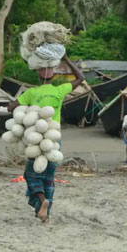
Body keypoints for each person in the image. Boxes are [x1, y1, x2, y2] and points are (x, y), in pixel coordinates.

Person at [8, 55, 85, 223]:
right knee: (49, 177)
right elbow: (81, 78)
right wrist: (66, 59)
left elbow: (11, 107)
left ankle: (42, 201)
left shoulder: (32, 93)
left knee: (32, 175)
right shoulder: (59, 90)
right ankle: (46, 214)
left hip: (34, 138)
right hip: (53, 139)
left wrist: (24, 107)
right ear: (53, 76)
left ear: (38, 74)